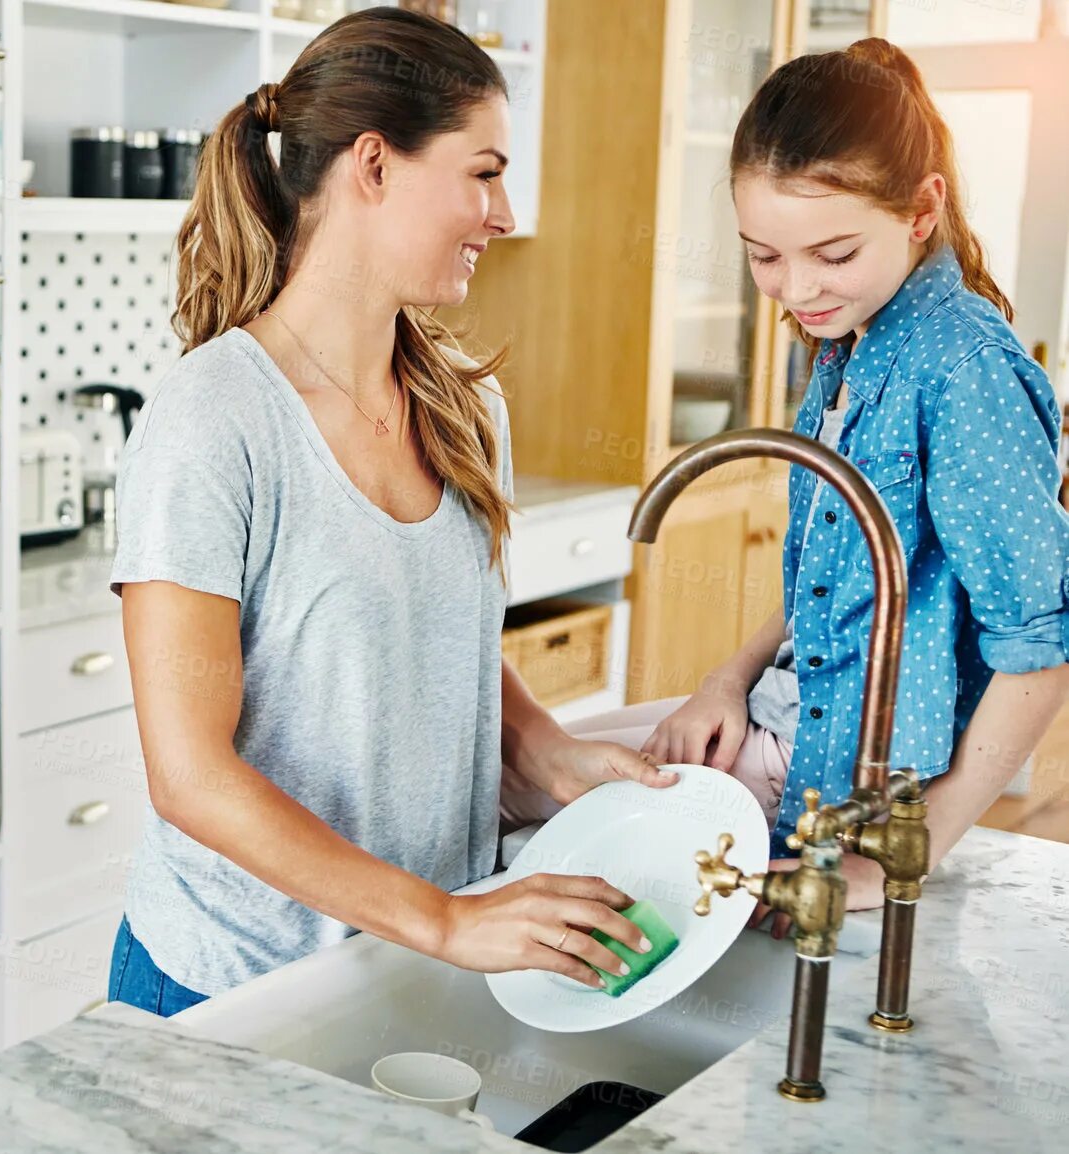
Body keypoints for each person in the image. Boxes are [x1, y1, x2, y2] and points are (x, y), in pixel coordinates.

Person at [103, 8, 677, 1018]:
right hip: (236, 988)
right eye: (484, 170)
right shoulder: (214, 418)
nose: (501, 212)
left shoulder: (465, 403)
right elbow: (190, 773)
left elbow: (426, 639)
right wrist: (450, 922)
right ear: (374, 165)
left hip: (413, 961)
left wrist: (543, 748)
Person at [561, 38, 1069, 934]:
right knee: (525, 778)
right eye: (763, 257)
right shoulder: (849, 340)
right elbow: (836, 585)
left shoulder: (965, 374)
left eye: (831, 253)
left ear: (921, 211)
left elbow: (1037, 645)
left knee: (552, 826)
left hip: (844, 774)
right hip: (782, 719)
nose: (795, 290)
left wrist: (906, 857)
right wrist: (724, 679)